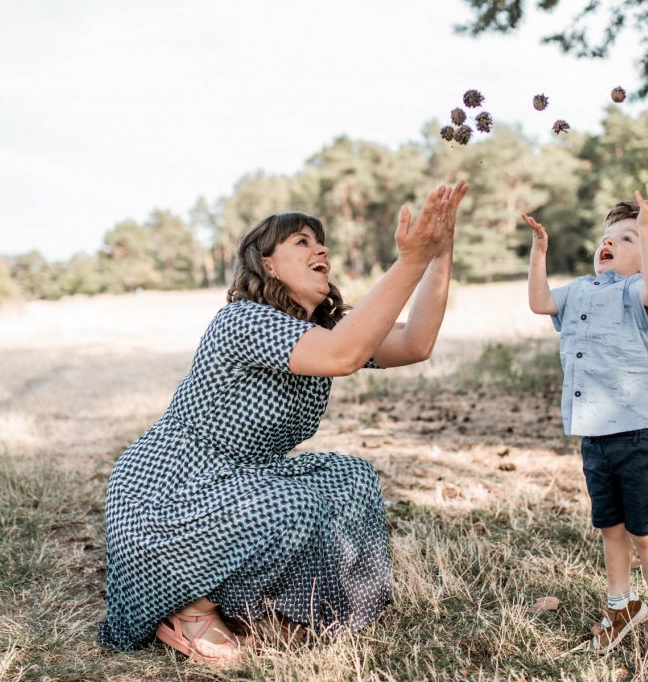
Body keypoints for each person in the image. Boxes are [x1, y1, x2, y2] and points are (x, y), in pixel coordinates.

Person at [98, 180, 469, 665]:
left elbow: (416, 343)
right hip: (167, 492)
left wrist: (439, 252)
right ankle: (188, 608)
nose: (322, 250)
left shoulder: (321, 331)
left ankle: (279, 610)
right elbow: (342, 355)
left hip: (237, 484)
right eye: (302, 241)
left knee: (351, 478)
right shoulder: (244, 320)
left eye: (321, 242)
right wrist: (409, 261)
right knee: (293, 505)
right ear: (267, 264)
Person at [522, 183, 648, 670]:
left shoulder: (636, 294)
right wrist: (539, 253)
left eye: (627, 238)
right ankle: (621, 606)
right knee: (610, 527)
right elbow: (539, 303)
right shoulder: (578, 291)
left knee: (646, 533)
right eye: (607, 236)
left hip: (639, 436)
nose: (609, 242)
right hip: (594, 438)